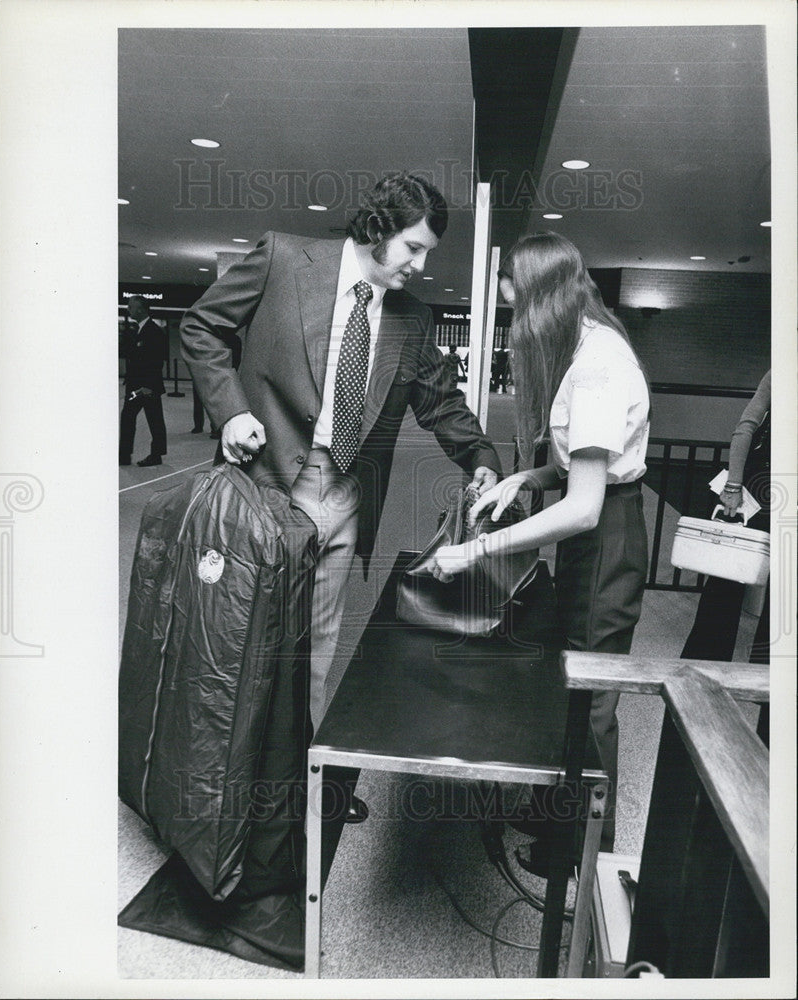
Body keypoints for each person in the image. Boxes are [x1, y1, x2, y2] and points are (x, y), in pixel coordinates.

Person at [179, 172, 501, 820]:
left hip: (346, 498)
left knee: (317, 649)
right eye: (414, 247)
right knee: (247, 641)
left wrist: (483, 460)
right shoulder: (281, 258)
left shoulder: (413, 320)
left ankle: (305, 789)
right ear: (378, 229)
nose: (421, 263)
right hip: (267, 487)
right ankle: (225, 787)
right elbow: (201, 328)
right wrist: (232, 412)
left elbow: (441, 403)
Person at [429, 231, 650, 864]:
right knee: (569, 676)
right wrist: (530, 476)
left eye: (516, 308)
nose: (516, 327)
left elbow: (584, 508)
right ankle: (562, 808)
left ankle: (584, 846)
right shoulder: (587, 347)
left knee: (593, 690)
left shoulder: (598, 367)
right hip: (601, 527)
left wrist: (476, 552)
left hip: (606, 536)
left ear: (544, 300)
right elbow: (585, 467)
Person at [681, 369, 771, 664]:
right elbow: (746, 427)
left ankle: (706, 665)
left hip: (760, 482)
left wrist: (734, 484)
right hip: (763, 486)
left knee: (726, 580)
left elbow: (746, 426)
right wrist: (733, 484)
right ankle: (769, 681)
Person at [119, 296, 168, 466]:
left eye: (131, 307)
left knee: (150, 420)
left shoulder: (153, 331)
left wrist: (147, 387)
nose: (129, 310)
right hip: (138, 385)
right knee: (142, 419)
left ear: (140, 309)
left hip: (146, 387)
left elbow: (155, 361)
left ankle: (129, 455)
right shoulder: (138, 330)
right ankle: (130, 455)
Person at [191, 331, 242, 437]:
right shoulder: (233, 340)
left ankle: (200, 426)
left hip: (207, 370)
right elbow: (236, 359)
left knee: (202, 400)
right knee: (217, 400)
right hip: (219, 371)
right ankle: (214, 428)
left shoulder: (210, 337)